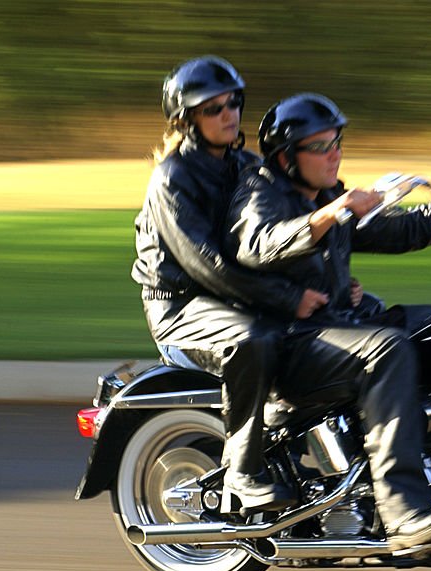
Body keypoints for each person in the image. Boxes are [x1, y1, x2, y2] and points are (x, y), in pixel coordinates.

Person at [225, 93, 431, 550]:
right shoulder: (260, 191)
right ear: (285, 156)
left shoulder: (328, 193)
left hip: (338, 326)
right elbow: (261, 243)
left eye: (337, 141)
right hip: (292, 344)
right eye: (320, 146)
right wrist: (329, 215)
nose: (334, 152)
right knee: (388, 349)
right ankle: (404, 511)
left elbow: (402, 230)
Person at [132, 56, 313, 514]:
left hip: (232, 295)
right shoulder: (171, 178)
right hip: (182, 304)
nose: (229, 114)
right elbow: (207, 264)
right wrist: (289, 299)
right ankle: (243, 470)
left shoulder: (247, 163)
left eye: (234, 102)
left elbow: (282, 231)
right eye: (213, 108)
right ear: (187, 119)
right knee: (252, 341)